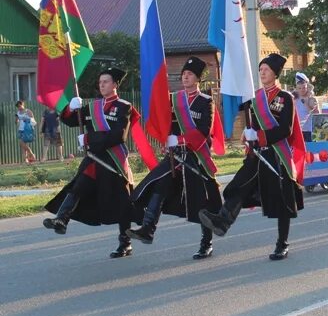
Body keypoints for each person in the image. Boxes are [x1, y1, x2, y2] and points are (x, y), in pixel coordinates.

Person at [199, 54, 306, 260]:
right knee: (237, 185)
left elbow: (285, 129)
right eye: (260, 69)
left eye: (266, 69)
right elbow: (236, 107)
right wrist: (248, 132)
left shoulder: (285, 98)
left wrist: (258, 135)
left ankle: (282, 243)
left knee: (281, 201)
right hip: (256, 154)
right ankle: (222, 220)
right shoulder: (253, 96)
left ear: (275, 73)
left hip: (277, 155)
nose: (262, 72)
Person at [126, 57, 222, 259]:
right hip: (176, 156)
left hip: (196, 156)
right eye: (184, 74)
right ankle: (148, 228)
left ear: (197, 79)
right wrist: (166, 139)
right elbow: (167, 123)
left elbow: (204, 130)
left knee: (201, 201)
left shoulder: (206, 101)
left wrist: (178, 139)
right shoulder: (174, 99)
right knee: (158, 185)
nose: (185, 77)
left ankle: (206, 243)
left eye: (190, 75)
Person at [43, 67, 140, 258]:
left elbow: (118, 136)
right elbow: (71, 121)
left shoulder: (124, 106)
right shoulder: (93, 107)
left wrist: (88, 139)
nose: (101, 85)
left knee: (122, 203)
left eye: (106, 81)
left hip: (113, 160)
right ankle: (61, 219)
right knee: (78, 187)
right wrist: (71, 107)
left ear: (115, 85)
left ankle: (125, 243)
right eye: (100, 82)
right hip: (94, 160)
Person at [293, 72, 319, 142]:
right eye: (299, 88)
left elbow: (317, 114)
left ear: (307, 87)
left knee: (310, 151)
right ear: (297, 88)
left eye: (304, 88)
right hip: (297, 130)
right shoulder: (294, 98)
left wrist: (306, 103)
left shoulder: (312, 99)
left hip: (309, 130)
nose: (302, 90)